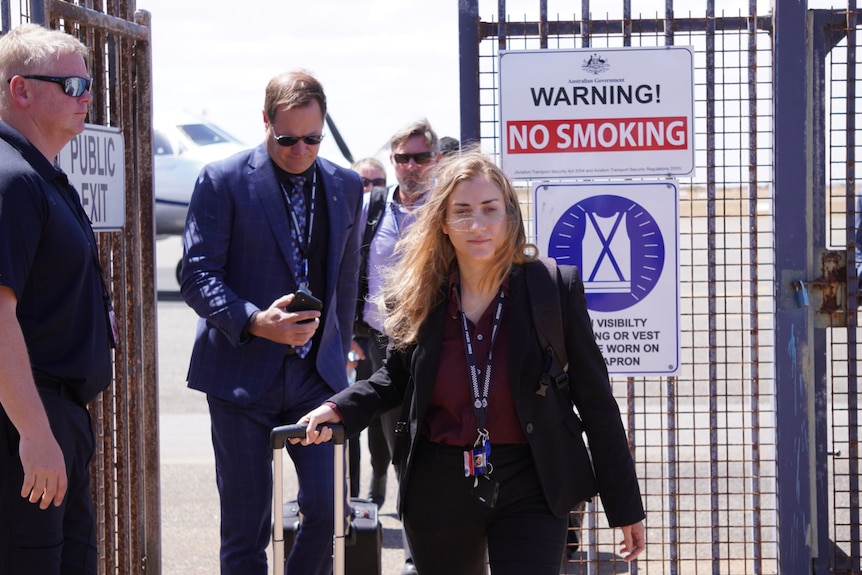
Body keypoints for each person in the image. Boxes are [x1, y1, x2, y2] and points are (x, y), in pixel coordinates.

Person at [294, 150, 646, 575]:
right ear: (442, 221)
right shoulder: (418, 293)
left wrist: (624, 505)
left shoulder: (552, 287)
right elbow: (394, 379)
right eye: (462, 211)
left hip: (532, 479)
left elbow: (596, 403)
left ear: (510, 216)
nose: (477, 224)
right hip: (439, 482)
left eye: (489, 209)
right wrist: (338, 408)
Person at [180, 70, 363, 575]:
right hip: (241, 378)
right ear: (265, 121)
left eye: (313, 138)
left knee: (329, 512)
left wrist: (336, 355)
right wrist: (257, 321)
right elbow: (196, 275)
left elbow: (345, 282)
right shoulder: (224, 180)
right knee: (246, 528)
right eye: (287, 139)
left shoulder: (346, 185)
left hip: (315, 380)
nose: (301, 149)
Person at [0, 23, 113, 575]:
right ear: (21, 91)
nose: (86, 96)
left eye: (88, 84)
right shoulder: (11, 180)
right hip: (24, 421)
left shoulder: (40, 176)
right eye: (71, 85)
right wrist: (35, 433)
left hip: (53, 418)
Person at [347, 156, 387, 499]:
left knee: (380, 421)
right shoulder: (347, 221)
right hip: (353, 337)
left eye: (378, 182)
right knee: (349, 419)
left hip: (381, 337)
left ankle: (378, 482)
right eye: (364, 182)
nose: (371, 190)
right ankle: (352, 501)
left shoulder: (389, 221)